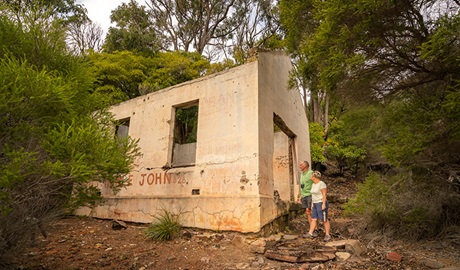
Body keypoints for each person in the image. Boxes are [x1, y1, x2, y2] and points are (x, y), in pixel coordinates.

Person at [305, 170, 331, 241]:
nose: (310, 177)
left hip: (321, 202)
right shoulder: (313, 184)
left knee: (324, 219)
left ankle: (327, 234)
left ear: (314, 177)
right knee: (314, 218)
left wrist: (323, 204)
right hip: (315, 203)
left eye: (311, 176)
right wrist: (312, 204)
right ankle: (310, 233)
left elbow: (324, 194)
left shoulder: (321, 184)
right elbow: (313, 195)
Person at [298, 161, 318, 236]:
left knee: (311, 211)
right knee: (307, 212)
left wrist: (315, 195)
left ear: (305, 166)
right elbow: (303, 186)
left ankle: (315, 230)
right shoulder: (302, 174)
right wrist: (300, 196)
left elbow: (316, 183)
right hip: (304, 195)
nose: (300, 166)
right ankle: (311, 229)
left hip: (310, 194)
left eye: (301, 165)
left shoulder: (311, 173)